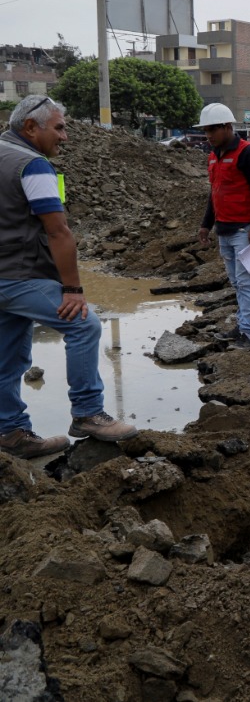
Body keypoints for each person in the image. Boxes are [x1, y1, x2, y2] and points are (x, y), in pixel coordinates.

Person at [0, 96, 137, 459]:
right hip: (20, 272)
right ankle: (88, 413)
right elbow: (58, 231)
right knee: (84, 325)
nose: (65, 137)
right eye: (59, 128)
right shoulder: (32, 165)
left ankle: (11, 433)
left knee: (9, 356)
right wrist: (73, 289)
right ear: (31, 127)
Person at [196, 103, 250, 350]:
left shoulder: (249, 153)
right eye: (206, 131)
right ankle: (241, 326)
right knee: (237, 283)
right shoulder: (213, 157)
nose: (208, 135)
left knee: (247, 282)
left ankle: (247, 334)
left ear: (227, 127)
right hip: (224, 231)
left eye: (212, 130)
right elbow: (214, 193)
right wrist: (207, 224)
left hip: (245, 231)